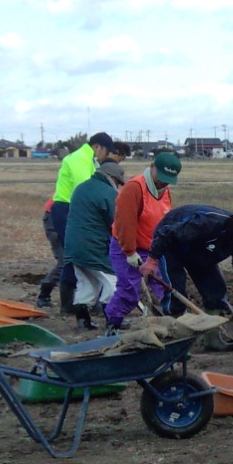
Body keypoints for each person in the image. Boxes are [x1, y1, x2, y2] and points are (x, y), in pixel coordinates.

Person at [41, 131, 118, 309]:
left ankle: (83, 302)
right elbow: (86, 190)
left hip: (74, 209)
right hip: (66, 209)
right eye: (106, 151)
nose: (106, 156)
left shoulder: (89, 160)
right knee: (73, 256)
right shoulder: (79, 160)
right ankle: (67, 304)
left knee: (78, 256)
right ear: (97, 147)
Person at [105, 150, 181, 328]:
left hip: (152, 249)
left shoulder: (165, 191)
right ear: (152, 167)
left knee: (164, 286)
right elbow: (124, 222)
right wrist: (130, 252)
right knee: (129, 291)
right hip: (126, 247)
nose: (163, 183)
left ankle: (170, 321)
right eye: (161, 178)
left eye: (167, 180)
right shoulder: (134, 188)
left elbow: (164, 221)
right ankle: (113, 322)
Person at [147, 205, 233, 325]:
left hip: (199, 249)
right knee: (176, 288)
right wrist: (152, 261)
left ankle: (213, 330)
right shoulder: (209, 223)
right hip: (170, 244)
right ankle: (174, 323)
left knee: (215, 291)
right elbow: (166, 233)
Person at [63, 160, 126, 329]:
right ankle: (113, 319)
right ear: (112, 178)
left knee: (87, 282)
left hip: (73, 245)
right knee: (113, 280)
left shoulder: (81, 188)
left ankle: (83, 321)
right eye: (118, 182)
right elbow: (116, 223)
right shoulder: (108, 193)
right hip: (93, 246)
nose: (118, 186)